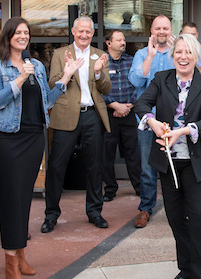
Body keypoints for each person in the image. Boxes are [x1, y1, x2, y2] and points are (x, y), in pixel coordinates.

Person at [0, 18, 76, 279]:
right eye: (19, 32)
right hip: (8, 140)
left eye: (26, 33)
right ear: (8, 36)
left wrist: (66, 77)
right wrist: (19, 79)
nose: (23, 36)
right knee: (11, 199)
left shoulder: (36, 65)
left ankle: (20, 254)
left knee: (24, 198)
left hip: (34, 138)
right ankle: (10, 265)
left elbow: (46, 102)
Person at [133, 34, 201, 279]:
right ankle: (187, 269)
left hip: (197, 164)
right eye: (178, 52)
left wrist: (184, 130)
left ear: (197, 56)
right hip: (169, 163)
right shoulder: (162, 79)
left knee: (199, 221)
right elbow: (141, 105)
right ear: (172, 56)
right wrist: (154, 123)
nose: (183, 57)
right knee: (175, 219)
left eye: (188, 52)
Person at [41, 16, 111, 233]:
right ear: (73, 31)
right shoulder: (60, 54)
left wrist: (98, 71)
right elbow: (53, 83)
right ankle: (51, 214)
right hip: (65, 114)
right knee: (56, 167)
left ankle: (95, 212)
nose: (84, 35)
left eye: (88, 32)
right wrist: (67, 72)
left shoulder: (99, 55)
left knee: (94, 167)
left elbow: (106, 88)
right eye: (80, 31)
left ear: (93, 33)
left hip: (92, 115)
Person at [129, 15, 175, 228]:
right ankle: (145, 208)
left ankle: (178, 208)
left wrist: (177, 53)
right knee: (148, 168)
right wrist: (150, 56)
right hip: (148, 121)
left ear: (171, 30)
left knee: (177, 165)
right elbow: (136, 81)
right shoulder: (141, 54)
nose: (162, 31)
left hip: (175, 120)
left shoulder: (179, 52)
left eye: (165, 28)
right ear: (152, 31)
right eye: (158, 28)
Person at [102, 29, 142, 202]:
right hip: (109, 114)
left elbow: (137, 85)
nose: (123, 42)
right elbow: (97, 86)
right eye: (118, 40)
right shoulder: (101, 62)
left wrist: (128, 105)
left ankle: (139, 186)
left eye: (123, 39)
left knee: (133, 153)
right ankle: (110, 188)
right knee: (107, 154)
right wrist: (114, 105)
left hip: (129, 112)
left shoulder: (131, 61)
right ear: (108, 43)